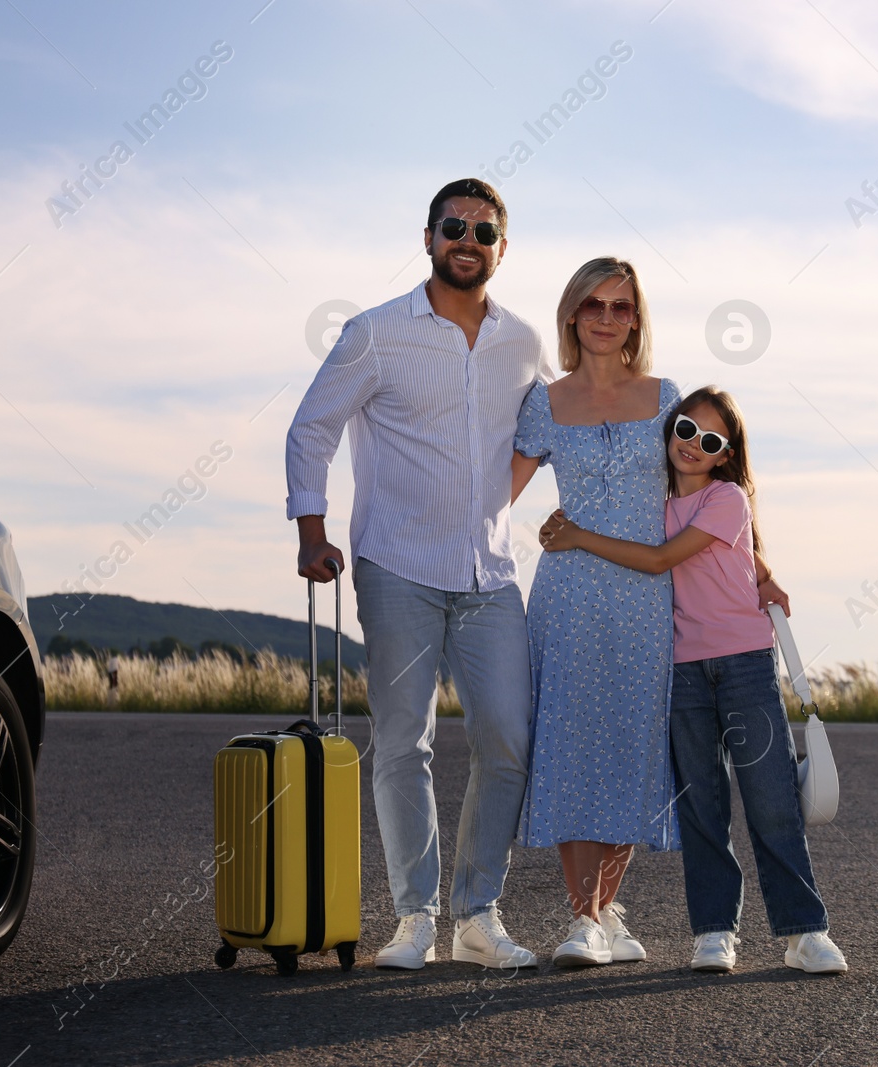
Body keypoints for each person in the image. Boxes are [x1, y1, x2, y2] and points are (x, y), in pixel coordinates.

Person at [285, 179, 550, 971]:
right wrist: (311, 531)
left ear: (504, 246)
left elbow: (534, 436)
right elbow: (312, 427)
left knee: (508, 737)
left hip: (491, 574)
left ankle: (478, 914)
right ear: (428, 236)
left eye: (484, 230)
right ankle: (414, 918)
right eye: (454, 226)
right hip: (396, 565)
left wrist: (501, 501)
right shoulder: (374, 333)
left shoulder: (525, 342)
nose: (468, 240)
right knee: (405, 743)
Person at [538, 386, 848, 975]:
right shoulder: (651, 503)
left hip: (744, 667)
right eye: (684, 429)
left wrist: (577, 535)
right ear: (671, 428)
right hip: (679, 670)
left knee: (771, 802)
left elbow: (659, 560)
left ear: (723, 455)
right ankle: (714, 933)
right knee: (701, 809)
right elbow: (726, 556)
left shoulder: (728, 496)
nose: (691, 445)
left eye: (708, 441)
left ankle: (804, 932)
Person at [508, 257, 681, 967]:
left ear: (636, 318)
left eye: (620, 306)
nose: (606, 318)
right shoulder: (544, 402)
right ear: (572, 315)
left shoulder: (667, 397)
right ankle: (582, 918)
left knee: (633, 747)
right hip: (569, 594)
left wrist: (753, 563)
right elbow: (494, 497)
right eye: (593, 305)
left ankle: (607, 905)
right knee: (573, 746)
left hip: (646, 597)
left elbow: (705, 491)